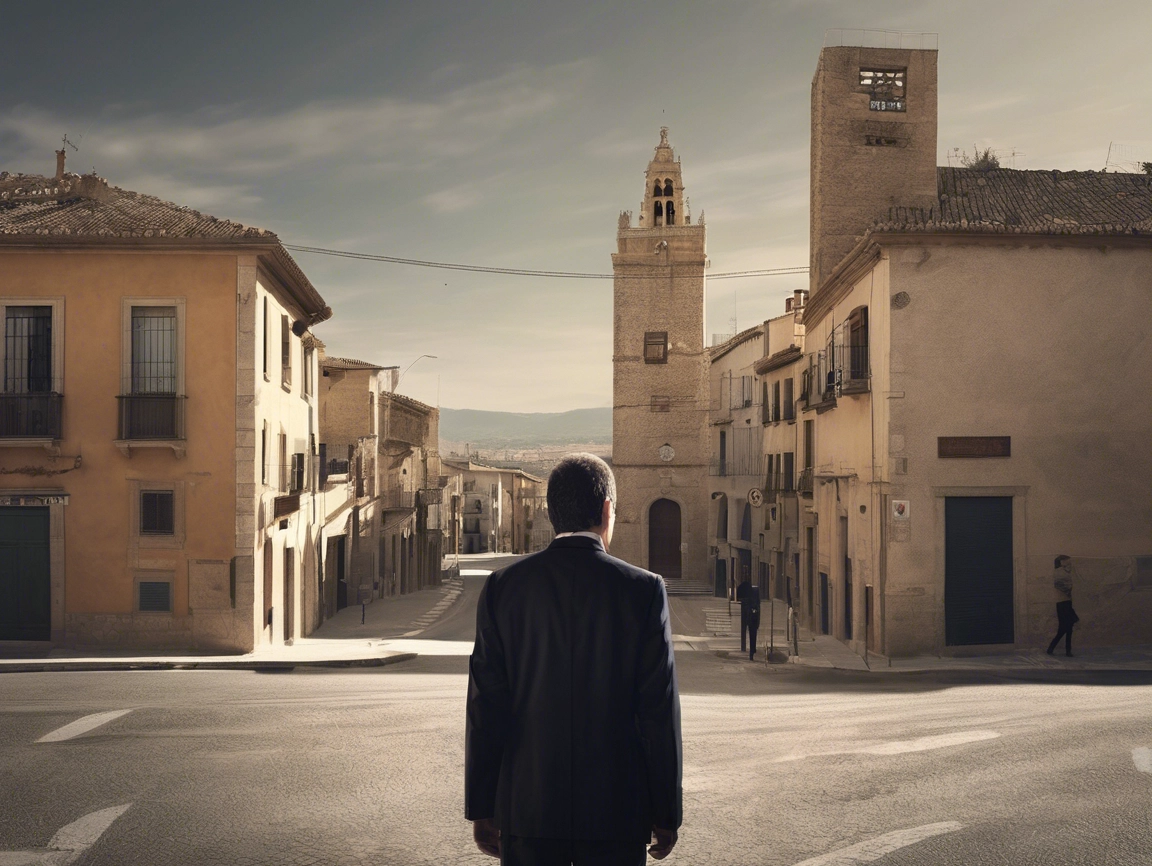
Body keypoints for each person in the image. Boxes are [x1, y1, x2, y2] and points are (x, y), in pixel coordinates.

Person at [465, 453, 682, 866]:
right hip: (615, 817)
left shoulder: (502, 588)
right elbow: (658, 712)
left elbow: (485, 707)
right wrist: (665, 812)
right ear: (606, 511)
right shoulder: (644, 590)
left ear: (551, 513)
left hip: (527, 813)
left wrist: (481, 807)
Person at [1046, 554, 1079, 657]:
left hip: (1065, 602)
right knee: (1065, 628)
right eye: (1066, 561)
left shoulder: (1063, 571)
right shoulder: (1059, 572)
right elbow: (1062, 585)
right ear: (1061, 562)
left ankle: (1063, 650)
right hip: (1063, 603)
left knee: (1068, 628)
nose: (1069, 563)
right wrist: (1069, 590)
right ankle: (1058, 649)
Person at [736, 571, 760, 661]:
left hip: (749, 616)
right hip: (753, 617)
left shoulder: (746, 593)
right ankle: (752, 650)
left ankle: (751, 650)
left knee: (749, 632)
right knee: (753, 633)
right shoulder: (754, 592)